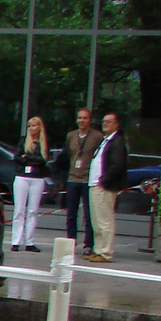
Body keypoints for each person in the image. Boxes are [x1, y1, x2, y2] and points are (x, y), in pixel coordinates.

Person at [86, 112, 128, 263]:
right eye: (104, 121)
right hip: (95, 184)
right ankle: (98, 250)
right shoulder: (106, 140)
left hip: (104, 186)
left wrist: (103, 180)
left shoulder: (117, 141)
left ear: (116, 124)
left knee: (105, 220)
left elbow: (117, 164)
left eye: (109, 122)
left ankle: (106, 252)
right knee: (96, 221)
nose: (105, 124)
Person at [59, 108, 101, 253]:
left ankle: (88, 244)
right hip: (72, 178)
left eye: (85, 118)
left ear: (90, 120)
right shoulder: (71, 135)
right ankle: (71, 241)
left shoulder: (97, 136)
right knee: (71, 213)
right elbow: (69, 154)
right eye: (80, 118)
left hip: (87, 179)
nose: (82, 121)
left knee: (88, 214)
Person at [10, 115, 52, 252]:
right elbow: (16, 157)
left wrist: (28, 157)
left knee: (33, 210)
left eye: (34, 125)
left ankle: (30, 241)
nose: (31, 128)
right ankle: (15, 241)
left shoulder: (44, 142)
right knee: (19, 209)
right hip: (22, 176)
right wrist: (33, 160)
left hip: (37, 177)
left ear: (39, 127)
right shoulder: (23, 141)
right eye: (29, 126)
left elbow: (44, 159)